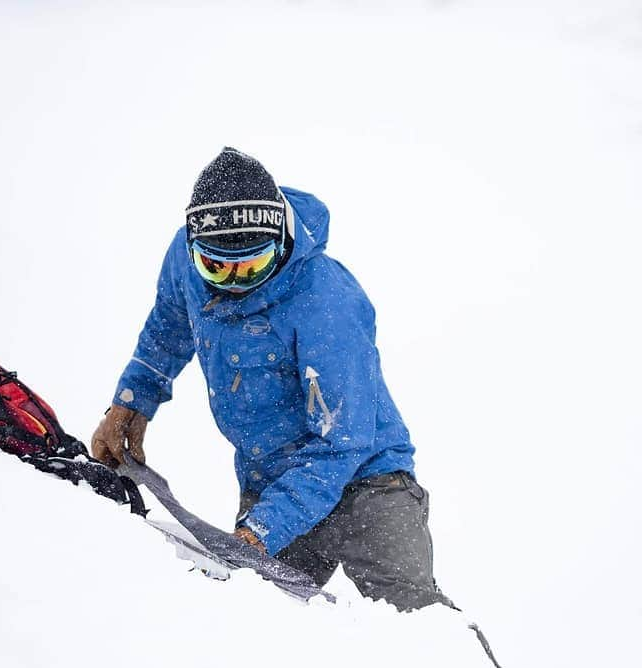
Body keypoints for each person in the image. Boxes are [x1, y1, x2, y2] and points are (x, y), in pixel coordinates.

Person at [92, 147, 450, 611]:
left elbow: (342, 443)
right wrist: (131, 403)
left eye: (253, 266)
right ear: (195, 248)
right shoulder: (184, 258)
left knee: (416, 621)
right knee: (259, 620)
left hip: (368, 483)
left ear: (280, 241)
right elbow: (169, 326)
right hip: (272, 478)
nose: (235, 281)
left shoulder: (325, 300)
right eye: (216, 268)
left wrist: (261, 530)